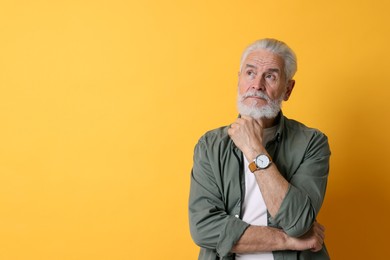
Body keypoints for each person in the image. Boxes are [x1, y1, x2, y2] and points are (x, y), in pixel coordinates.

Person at [189, 38, 331, 260]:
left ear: (288, 89)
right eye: (250, 73)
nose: (257, 85)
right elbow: (203, 227)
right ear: (238, 80)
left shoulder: (312, 143)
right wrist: (288, 240)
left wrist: (254, 148)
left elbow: (297, 222)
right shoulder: (210, 145)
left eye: (271, 76)